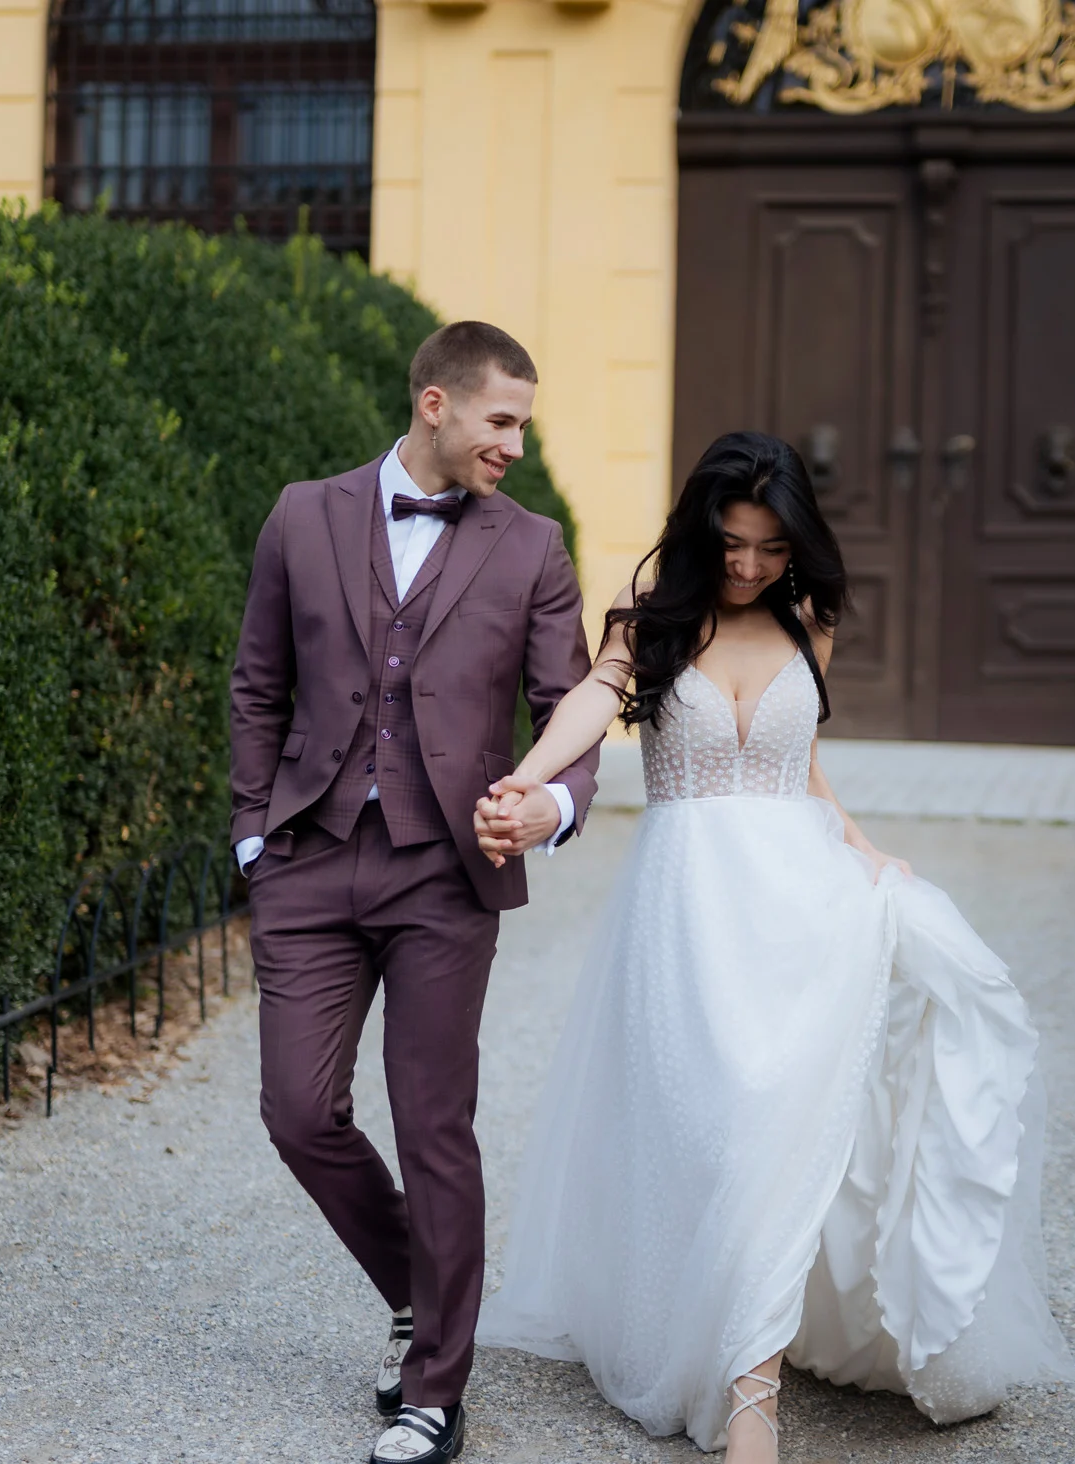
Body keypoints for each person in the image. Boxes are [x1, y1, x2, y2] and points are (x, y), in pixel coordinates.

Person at [470, 431, 1075, 1460]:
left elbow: (801, 763)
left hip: (801, 897)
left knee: (780, 1121)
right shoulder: (651, 615)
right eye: (731, 544)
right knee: (713, 1122)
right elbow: (593, 698)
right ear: (700, 531)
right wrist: (528, 778)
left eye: (770, 546)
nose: (749, 566)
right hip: (689, 907)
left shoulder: (810, 617)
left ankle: (753, 1387)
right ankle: (719, 1341)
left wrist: (865, 849)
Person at [227, 321, 604, 1464]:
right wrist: (253, 838)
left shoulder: (532, 549)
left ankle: (436, 1388)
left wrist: (552, 805)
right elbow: (257, 684)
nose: (516, 447)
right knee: (298, 1112)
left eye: (524, 425)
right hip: (308, 857)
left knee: (434, 1121)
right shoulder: (302, 515)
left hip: (446, 870)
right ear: (435, 404)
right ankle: (421, 1290)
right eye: (502, 421)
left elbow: (570, 708)